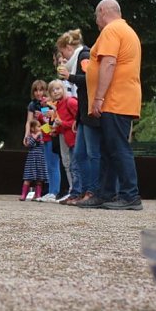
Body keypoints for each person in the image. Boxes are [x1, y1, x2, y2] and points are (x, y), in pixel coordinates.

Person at [75, 0, 143, 210]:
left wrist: (99, 98)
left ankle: (130, 195)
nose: (96, 22)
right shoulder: (125, 30)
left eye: (96, 16)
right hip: (119, 99)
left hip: (115, 100)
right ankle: (105, 193)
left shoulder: (112, 30)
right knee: (108, 148)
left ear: (103, 12)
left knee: (118, 148)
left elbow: (109, 62)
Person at [57, 29, 99, 206]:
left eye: (63, 53)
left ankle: (92, 191)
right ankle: (83, 190)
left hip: (89, 113)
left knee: (91, 154)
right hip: (82, 115)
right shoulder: (78, 58)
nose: (63, 58)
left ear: (68, 47)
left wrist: (70, 77)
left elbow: (89, 79)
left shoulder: (83, 55)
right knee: (80, 155)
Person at [23, 81, 61, 200]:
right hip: (42, 137)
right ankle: (49, 191)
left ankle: (54, 191)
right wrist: (27, 135)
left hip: (51, 135)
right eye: (36, 90)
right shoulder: (32, 104)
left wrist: (40, 118)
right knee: (47, 165)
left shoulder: (49, 103)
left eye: (41, 90)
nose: (39, 93)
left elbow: (48, 123)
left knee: (53, 164)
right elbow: (30, 121)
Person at [48, 79, 78, 201]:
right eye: (53, 90)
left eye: (58, 88)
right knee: (67, 164)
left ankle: (77, 190)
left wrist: (63, 124)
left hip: (74, 138)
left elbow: (79, 121)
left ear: (64, 89)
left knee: (74, 165)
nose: (55, 92)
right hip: (64, 137)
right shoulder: (58, 106)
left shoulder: (70, 102)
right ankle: (72, 189)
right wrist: (56, 130)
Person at [20, 120, 48, 201]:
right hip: (32, 159)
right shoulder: (30, 136)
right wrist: (35, 136)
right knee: (28, 177)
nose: (40, 128)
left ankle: (38, 195)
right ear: (32, 128)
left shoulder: (42, 136)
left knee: (39, 178)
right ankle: (23, 195)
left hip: (40, 159)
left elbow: (43, 144)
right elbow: (29, 144)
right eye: (38, 126)